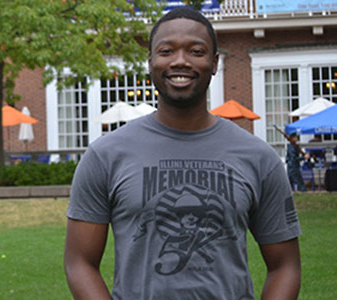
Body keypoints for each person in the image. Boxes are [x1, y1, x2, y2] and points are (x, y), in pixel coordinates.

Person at [64, 7, 301, 300]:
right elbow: (80, 262)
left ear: (214, 63)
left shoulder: (258, 157)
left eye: (196, 51)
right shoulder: (106, 155)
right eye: (166, 51)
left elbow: (285, 265)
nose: (180, 61)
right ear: (150, 62)